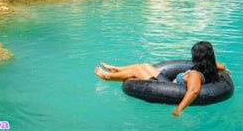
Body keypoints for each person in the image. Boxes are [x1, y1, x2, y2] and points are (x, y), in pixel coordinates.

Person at [95, 41, 230, 117]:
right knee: (145, 66)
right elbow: (222, 66)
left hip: (165, 86)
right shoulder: (212, 66)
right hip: (168, 82)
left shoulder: (195, 74)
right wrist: (226, 71)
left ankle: (108, 77)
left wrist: (179, 109)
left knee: (137, 71)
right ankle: (117, 69)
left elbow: (193, 91)